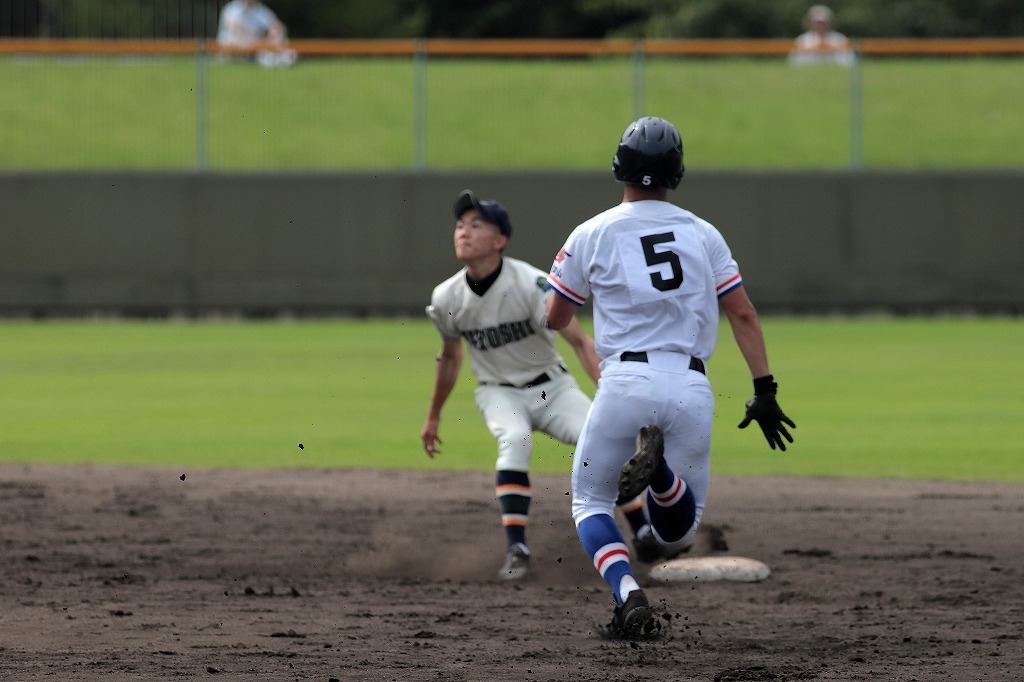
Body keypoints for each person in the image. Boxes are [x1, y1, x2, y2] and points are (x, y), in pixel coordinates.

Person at [545, 117, 796, 639]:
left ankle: (627, 593)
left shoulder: (590, 232)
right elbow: (743, 314)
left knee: (591, 502)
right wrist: (764, 390)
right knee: (676, 531)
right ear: (676, 172)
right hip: (689, 385)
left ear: (620, 167)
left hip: (624, 381)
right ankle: (658, 475)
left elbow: (554, 316)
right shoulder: (704, 234)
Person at [421, 189, 655, 581]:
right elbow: (450, 359)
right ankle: (517, 547)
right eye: (460, 225)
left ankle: (643, 528)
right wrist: (433, 417)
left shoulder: (532, 284)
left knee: (596, 441)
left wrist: (609, 393)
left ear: (500, 240)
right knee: (514, 440)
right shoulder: (446, 297)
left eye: (476, 225)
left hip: (552, 388)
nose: (463, 231)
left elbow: (580, 342)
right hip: (498, 391)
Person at [216, 0, 297, 68]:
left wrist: (275, 33)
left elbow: (276, 26)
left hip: (256, 44)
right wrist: (257, 37)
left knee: (278, 37)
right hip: (234, 43)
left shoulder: (261, 10)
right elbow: (235, 27)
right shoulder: (232, 9)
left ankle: (279, 58)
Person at [789, 5, 854, 65]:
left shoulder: (839, 38)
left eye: (823, 23)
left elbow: (850, 60)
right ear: (810, 23)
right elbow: (794, 61)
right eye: (817, 23)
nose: (820, 25)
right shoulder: (802, 39)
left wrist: (831, 48)